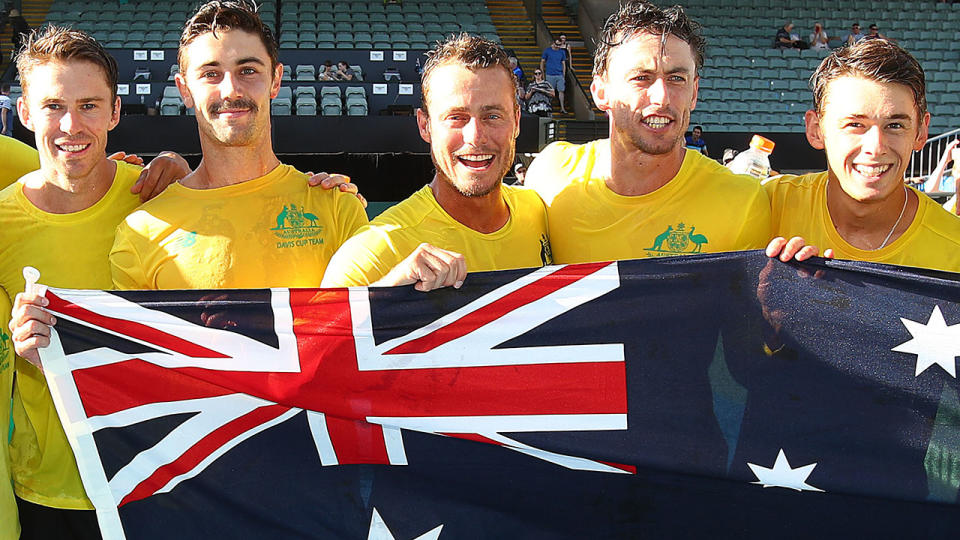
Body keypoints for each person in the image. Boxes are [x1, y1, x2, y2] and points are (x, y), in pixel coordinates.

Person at [2, 25, 191, 540]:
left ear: (114, 112)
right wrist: (20, 344)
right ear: (22, 114)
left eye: (89, 105)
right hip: (51, 487)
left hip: (161, 478)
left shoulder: (161, 196)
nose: (70, 124)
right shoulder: (2, 223)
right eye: (52, 106)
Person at [107, 0, 368, 291]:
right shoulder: (142, 232)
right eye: (210, 74)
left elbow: (367, 325)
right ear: (184, 90)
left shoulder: (336, 208)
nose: (231, 90)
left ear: (275, 80)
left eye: (247, 71)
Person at [524, 1, 772, 264]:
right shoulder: (551, 175)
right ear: (601, 92)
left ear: (694, 93)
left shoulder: (741, 201)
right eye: (641, 78)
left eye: (677, 78)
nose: (662, 97)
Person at [322, 34, 550, 289]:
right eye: (456, 117)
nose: (475, 137)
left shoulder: (542, 214)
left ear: (517, 122)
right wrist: (386, 297)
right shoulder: (375, 252)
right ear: (425, 125)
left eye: (493, 116)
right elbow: (318, 328)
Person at [764, 38, 960, 272]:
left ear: (921, 132)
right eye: (855, 124)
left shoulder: (953, 250)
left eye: (895, 125)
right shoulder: (765, 210)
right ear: (816, 130)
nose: (876, 147)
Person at [540, 37, 567, 114]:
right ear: (553, 43)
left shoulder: (562, 52)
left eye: (559, 45)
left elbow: (563, 63)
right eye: (556, 44)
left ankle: (562, 107)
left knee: (561, 91)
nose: (557, 46)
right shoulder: (547, 51)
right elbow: (542, 62)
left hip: (559, 74)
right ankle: (549, 107)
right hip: (550, 74)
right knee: (550, 91)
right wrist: (542, 72)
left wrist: (563, 74)